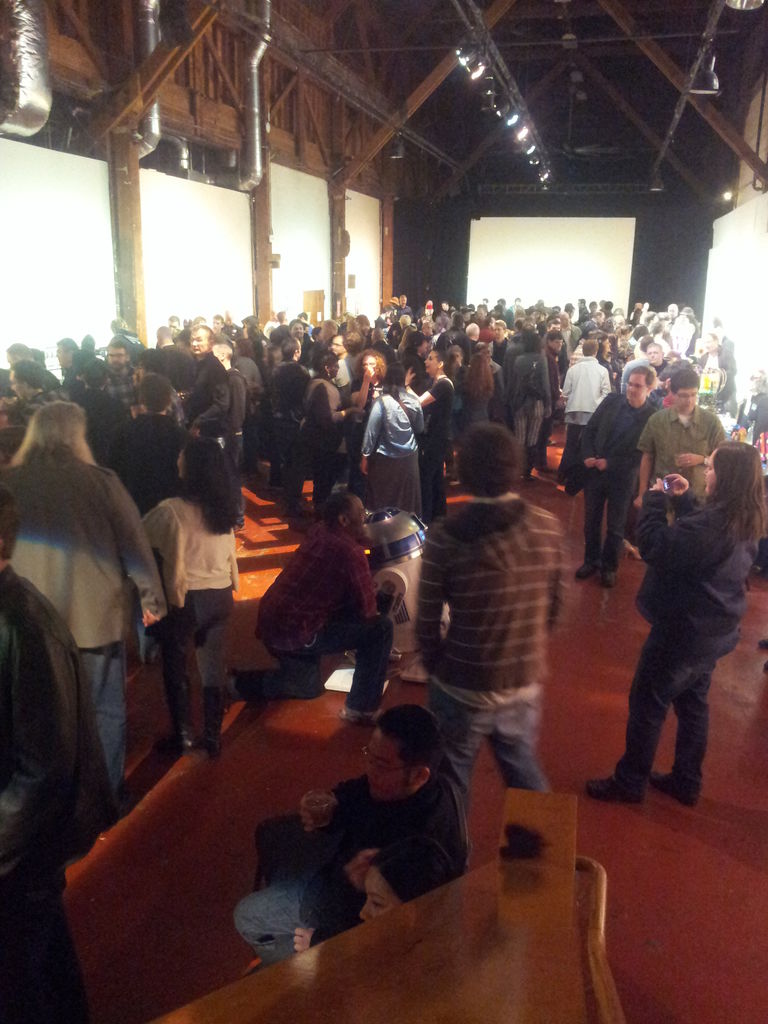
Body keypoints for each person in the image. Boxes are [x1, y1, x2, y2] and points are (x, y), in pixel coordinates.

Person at [587, 442, 766, 805]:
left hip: (684, 630)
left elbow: (657, 546)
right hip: (714, 629)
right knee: (692, 704)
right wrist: (684, 502)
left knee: (647, 702)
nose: (706, 473)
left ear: (727, 477)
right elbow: (699, 543)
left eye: (711, 468)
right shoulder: (744, 517)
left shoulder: (714, 525)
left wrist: (654, 500)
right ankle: (686, 780)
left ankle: (630, 781)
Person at [3, 402, 166, 795]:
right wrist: (152, 601)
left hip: (30, 620)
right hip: (94, 616)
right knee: (104, 709)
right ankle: (106, 795)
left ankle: (55, 795)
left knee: (42, 711)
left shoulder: (9, 483)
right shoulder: (101, 481)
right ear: (78, 435)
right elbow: (135, 547)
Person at [0, 485, 117, 1024]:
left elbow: (44, 769)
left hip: (24, 848)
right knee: (42, 961)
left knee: (18, 979)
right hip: (25, 847)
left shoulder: (23, 627)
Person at [233, 705, 466, 966]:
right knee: (272, 837)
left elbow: (388, 930)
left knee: (247, 916)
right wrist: (334, 803)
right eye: (369, 756)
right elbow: (359, 791)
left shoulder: (421, 849)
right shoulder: (400, 788)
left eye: (380, 764)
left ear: (419, 775)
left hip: (345, 913)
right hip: (338, 875)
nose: (370, 770)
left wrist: (323, 942)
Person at [419, 424, 565, 801]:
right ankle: (544, 837)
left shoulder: (444, 537)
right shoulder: (547, 526)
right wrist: (522, 647)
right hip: (522, 679)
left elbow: (426, 621)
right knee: (524, 773)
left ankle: (453, 840)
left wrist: (438, 666)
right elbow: (555, 607)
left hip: (460, 682)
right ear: (513, 467)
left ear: (463, 472)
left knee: (450, 786)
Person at [229, 491, 392, 724]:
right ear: (344, 519)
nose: (365, 516)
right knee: (380, 629)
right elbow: (368, 612)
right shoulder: (350, 552)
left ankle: (236, 685)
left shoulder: (320, 530)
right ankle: (361, 709)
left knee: (307, 686)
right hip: (297, 630)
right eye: (361, 512)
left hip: (272, 622)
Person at [143, 438, 239, 756]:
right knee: (212, 666)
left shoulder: (171, 511)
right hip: (221, 595)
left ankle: (183, 736)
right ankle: (212, 737)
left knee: (176, 666)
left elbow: (138, 539)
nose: (178, 457)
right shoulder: (225, 510)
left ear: (190, 467)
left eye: (182, 454)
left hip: (188, 600)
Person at [575, 366, 657, 588]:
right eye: (630, 384)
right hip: (595, 472)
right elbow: (590, 429)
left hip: (622, 477)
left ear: (649, 389)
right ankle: (591, 560)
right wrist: (587, 455)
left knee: (615, 526)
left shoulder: (651, 417)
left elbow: (642, 455)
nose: (631, 389)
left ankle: (609, 567)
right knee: (591, 521)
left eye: (637, 386)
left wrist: (610, 463)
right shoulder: (612, 401)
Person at [635, 366, 725, 505]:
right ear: (672, 393)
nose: (689, 400)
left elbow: (723, 460)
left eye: (693, 395)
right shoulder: (657, 420)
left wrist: (702, 459)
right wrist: (642, 494)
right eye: (683, 395)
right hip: (663, 495)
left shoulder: (711, 422)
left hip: (697, 497)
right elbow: (647, 457)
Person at [361, 363, 423, 515]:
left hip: (385, 459)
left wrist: (365, 456)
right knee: (408, 500)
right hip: (409, 458)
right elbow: (420, 428)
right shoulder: (414, 400)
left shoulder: (381, 402)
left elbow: (371, 432)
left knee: (383, 501)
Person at [419, 349, 454, 523]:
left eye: (430, 359)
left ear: (440, 364)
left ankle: (426, 519)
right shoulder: (437, 383)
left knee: (427, 477)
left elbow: (418, 403)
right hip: (438, 437)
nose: (426, 361)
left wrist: (406, 386)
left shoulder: (443, 384)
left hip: (437, 438)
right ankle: (438, 517)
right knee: (436, 479)